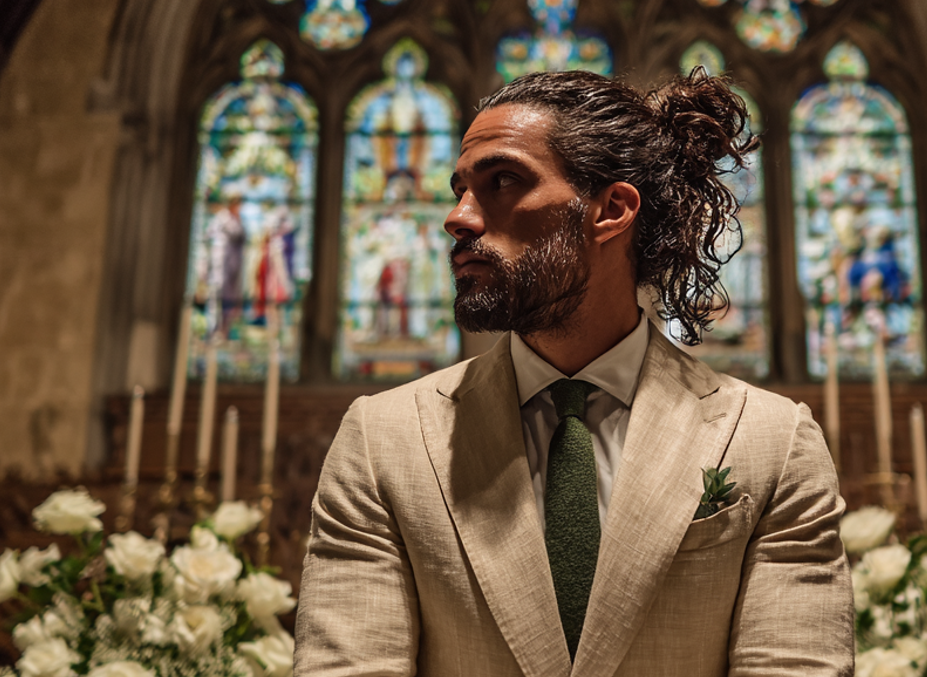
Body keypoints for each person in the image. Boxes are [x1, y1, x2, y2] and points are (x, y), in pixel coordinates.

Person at [296, 69, 854, 677]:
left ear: (611, 210)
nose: (458, 218)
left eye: (502, 181)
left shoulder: (769, 441)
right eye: (459, 188)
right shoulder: (385, 440)